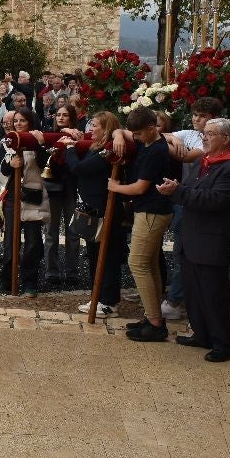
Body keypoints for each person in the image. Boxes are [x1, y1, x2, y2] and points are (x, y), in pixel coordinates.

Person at [157, 118, 230, 362]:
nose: (204, 138)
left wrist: (178, 191)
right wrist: (176, 186)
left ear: (225, 139)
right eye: (204, 133)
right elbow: (191, 189)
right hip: (192, 237)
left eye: (210, 134)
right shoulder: (204, 161)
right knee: (194, 292)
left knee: (213, 294)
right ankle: (202, 334)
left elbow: (213, 200)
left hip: (211, 241)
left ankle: (224, 344)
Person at [112, 107, 174, 342]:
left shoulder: (155, 151)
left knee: (137, 262)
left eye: (138, 134)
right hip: (150, 210)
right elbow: (123, 132)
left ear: (151, 128)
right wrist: (119, 135)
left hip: (152, 211)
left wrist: (115, 187)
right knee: (149, 264)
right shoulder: (148, 141)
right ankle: (152, 316)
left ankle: (155, 322)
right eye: (134, 134)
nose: (135, 138)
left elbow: (140, 188)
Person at [62, 111, 127, 317]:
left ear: (106, 129)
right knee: (94, 255)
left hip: (105, 209)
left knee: (107, 257)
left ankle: (109, 302)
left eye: (96, 125)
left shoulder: (108, 150)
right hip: (92, 208)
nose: (91, 128)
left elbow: (79, 168)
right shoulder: (96, 146)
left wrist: (69, 149)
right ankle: (98, 296)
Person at [0, 109, 49, 294]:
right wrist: (10, 164)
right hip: (13, 196)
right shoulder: (8, 141)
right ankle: (7, 279)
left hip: (32, 196)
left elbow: (45, 164)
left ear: (30, 122)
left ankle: (30, 282)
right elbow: (2, 170)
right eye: (16, 120)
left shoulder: (38, 141)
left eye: (22, 120)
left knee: (33, 242)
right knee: (10, 242)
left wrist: (40, 145)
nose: (18, 124)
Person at [43, 103, 81, 286]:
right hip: (52, 189)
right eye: (58, 115)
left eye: (65, 115)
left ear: (71, 118)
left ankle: (72, 271)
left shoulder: (78, 136)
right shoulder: (49, 136)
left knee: (73, 232)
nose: (60, 118)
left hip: (71, 188)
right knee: (51, 231)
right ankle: (52, 270)